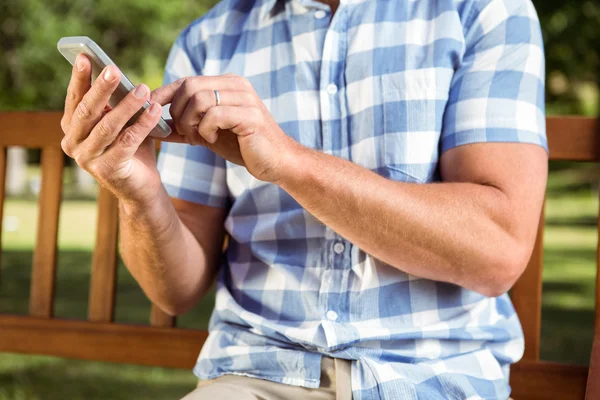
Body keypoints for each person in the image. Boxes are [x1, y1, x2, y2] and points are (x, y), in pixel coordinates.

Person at [59, 0, 547, 397]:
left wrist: (287, 162)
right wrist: (139, 194)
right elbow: (175, 290)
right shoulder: (208, 40)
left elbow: (496, 250)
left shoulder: (483, 12)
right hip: (255, 374)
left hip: (430, 378)